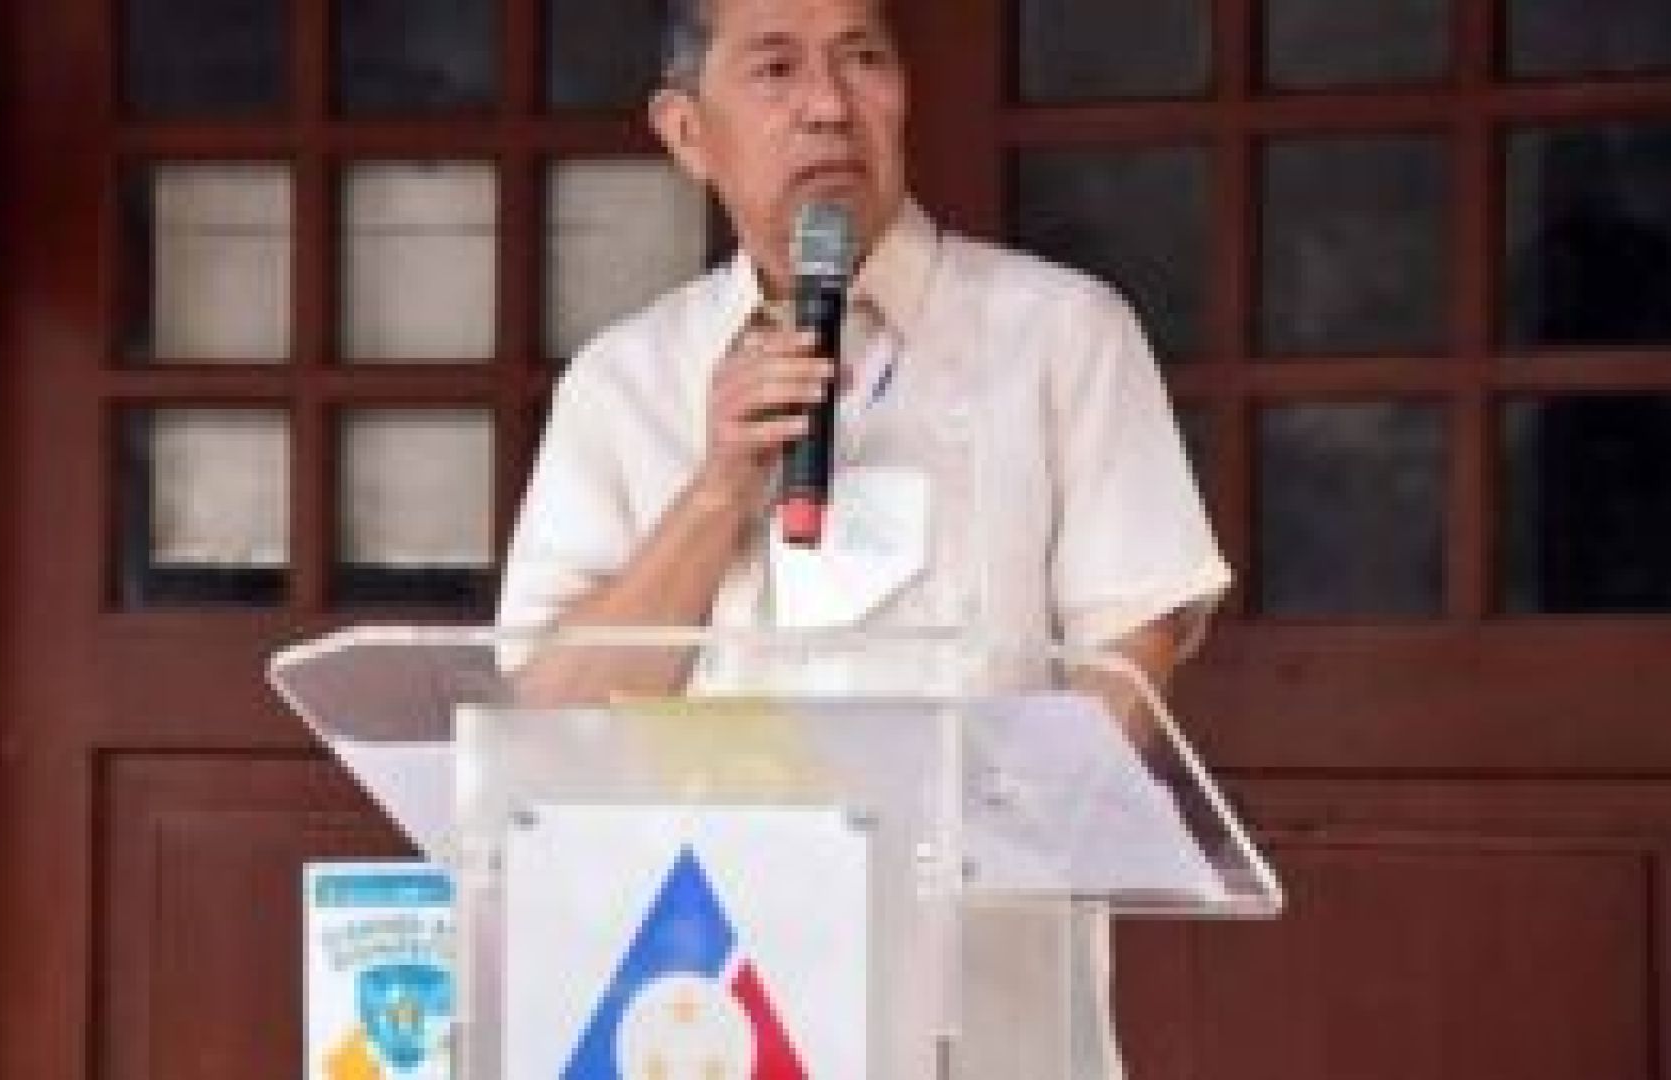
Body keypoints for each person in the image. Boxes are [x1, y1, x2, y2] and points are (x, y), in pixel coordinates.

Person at [496, 0, 1231, 1073]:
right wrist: (717, 490)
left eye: (862, 60)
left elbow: (1133, 644)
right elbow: (548, 709)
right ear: (687, 132)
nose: (829, 107)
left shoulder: (1059, 333)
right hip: (701, 1000)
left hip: (976, 999)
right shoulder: (627, 380)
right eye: (776, 69)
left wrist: (995, 858)